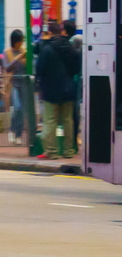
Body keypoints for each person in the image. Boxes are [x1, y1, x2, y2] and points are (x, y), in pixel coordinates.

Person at [35, 21, 80, 159]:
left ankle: (51, 152)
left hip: (50, 91)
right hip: (68, 89)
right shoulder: (71, 49)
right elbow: (76, 69)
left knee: (50, 121)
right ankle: (69, 150)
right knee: (68, 121)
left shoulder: (47, 49)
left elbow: (40, 69)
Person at [3, 30, 27, 141]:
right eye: (19, 41)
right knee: (17, 108)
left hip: (23, 83)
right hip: (13, 83)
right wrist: (18, 58)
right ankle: (13, 131)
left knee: (22, 110)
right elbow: (7, 67)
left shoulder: (23, 51)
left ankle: (18, 133)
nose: (21, 43)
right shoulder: (7, 52)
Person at [63, 20, 83, 152]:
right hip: (77, 88)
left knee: (73, 116)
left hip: (73, 89)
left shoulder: (72, 52)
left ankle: (73, 143)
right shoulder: (81, 54)